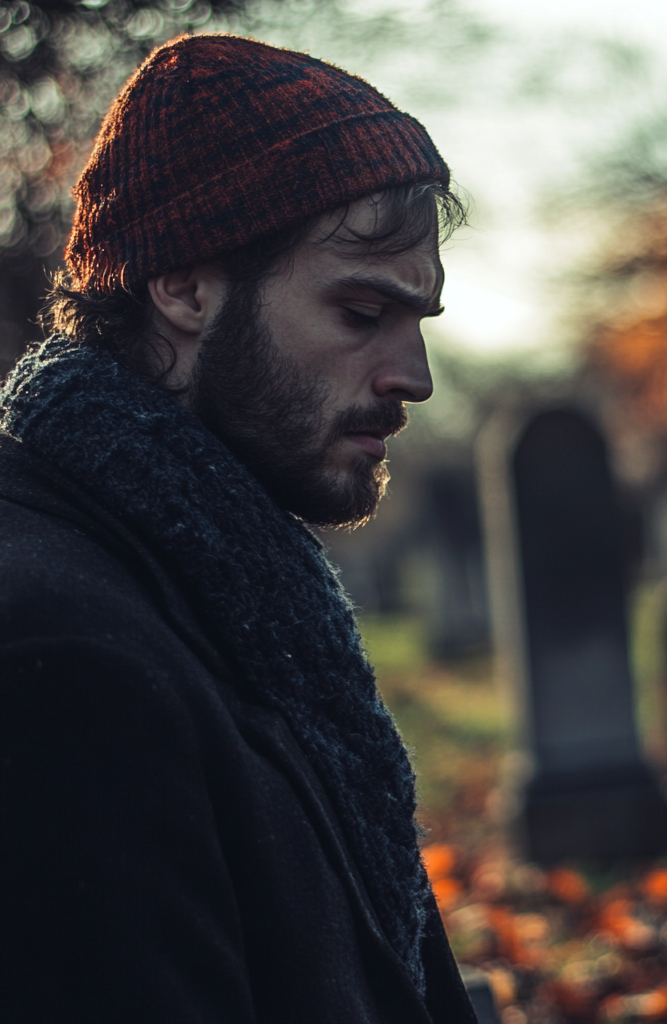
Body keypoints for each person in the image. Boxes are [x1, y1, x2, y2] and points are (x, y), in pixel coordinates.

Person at [0, 33, 479, 1024]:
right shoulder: (62, 652)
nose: (413, 378)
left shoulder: (233, 588)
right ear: (180, 286)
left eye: (418, 320)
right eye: (359, 313)